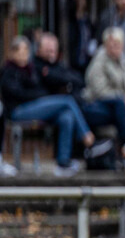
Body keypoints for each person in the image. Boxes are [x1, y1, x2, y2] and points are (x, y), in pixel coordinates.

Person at [1, 36, 103, 177]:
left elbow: (40, 90)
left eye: (25, 51)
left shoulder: (30, 70)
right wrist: (36, 95)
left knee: (66, 116)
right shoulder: (8, 71)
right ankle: (88, 140)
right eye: (19, 51)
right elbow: (18, 93)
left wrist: (37, 94)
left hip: (33, 106)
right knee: (67, 101)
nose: (23, 54)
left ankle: (63, 163)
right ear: (12, 53)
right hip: (18, 111)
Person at [82, 27, 125, 154]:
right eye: (111, 44)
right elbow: (99, 91)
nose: (114, 47)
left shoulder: (123, 60)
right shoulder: (99, 60)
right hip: (96, 104)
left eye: (117, 44)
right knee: (122, 107)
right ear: (105, 44)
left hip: (118, 104)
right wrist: (123, 97)